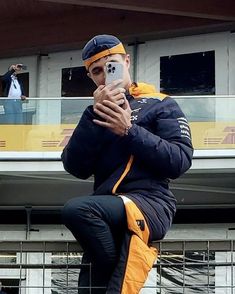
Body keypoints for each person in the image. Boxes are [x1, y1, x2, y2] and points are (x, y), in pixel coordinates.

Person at [62, 34, 193, 294]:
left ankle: (112, 266)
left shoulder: (161, 103)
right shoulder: (96, 113)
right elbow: (75, 167)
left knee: (76, 210)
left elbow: (180, 160)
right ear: (90, 77)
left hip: (149, 203)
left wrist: (129, 130)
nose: (104, 75)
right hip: (107, 211)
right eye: (96, 71)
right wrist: (93, 114)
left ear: (127, 61)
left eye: (111, 66)